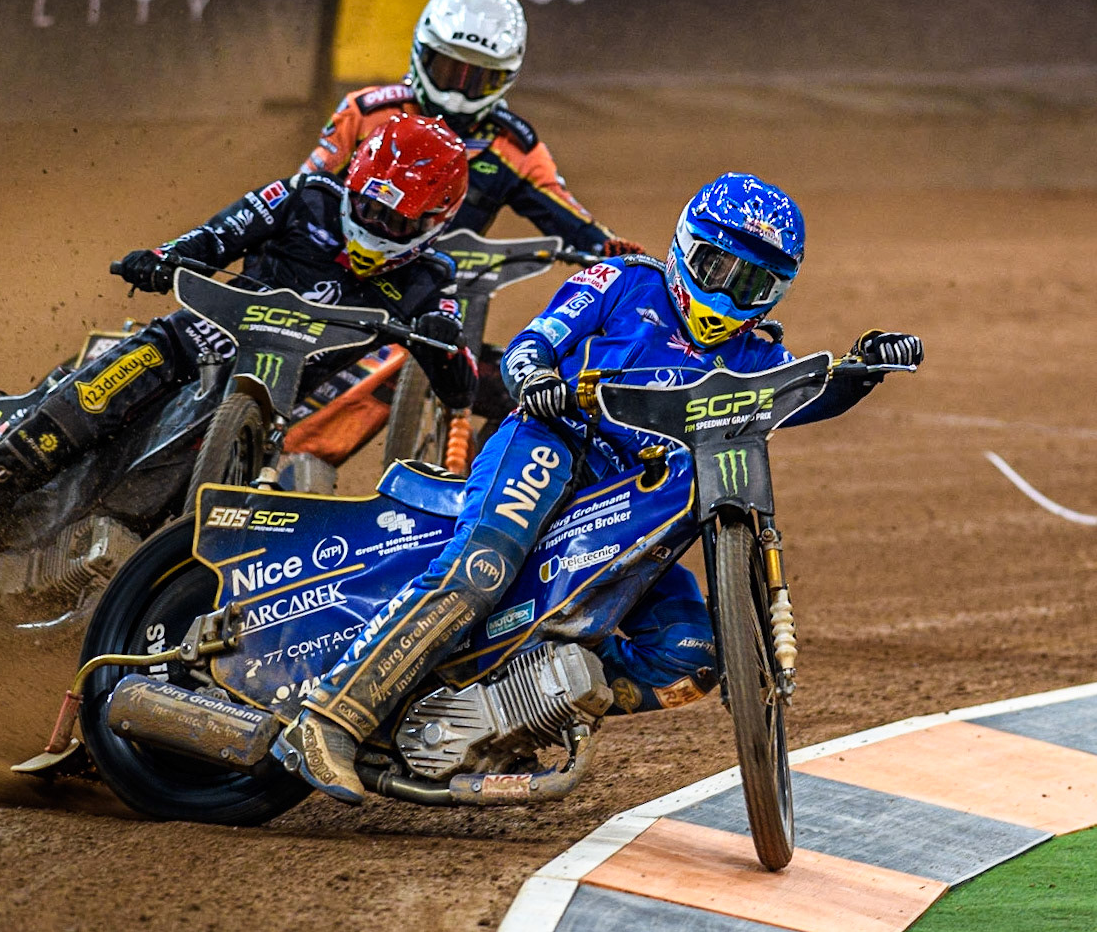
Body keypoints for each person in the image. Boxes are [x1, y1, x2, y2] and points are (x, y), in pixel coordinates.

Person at [270, 172, 926, 803]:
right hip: (555, 446)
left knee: (691, 657)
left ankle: (518, 706)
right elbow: (537, 340)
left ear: (775, 290)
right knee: (479, 570)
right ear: (683, 245)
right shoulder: (622, 280)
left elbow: (805, 393)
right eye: (717, 268)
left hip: (641, 511)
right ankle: (328, 716)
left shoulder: (755, 354)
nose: (726, 295)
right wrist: (534, 380)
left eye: (750, 281)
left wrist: (861, 368)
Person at [0, 113, 480, 620]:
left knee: (203, 532)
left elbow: (459, 386)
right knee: (44, 439)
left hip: (255, 414)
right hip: (176, 350)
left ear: (434, 223)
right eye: (369, 207)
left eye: (395, 220)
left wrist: (444, 339)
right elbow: (212, 237)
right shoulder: (302, 197)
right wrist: (162, 258)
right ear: (354, 180)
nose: (373, 226)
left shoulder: (432, 280)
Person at [304, 0, 642, 427]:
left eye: (478, 78)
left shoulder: (513, 146)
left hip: (430, 306)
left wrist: (609, 250)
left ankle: (489, 488)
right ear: (422, 53)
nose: (457, 93)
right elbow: (300, 196)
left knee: (533, 395)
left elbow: (567, 216)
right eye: (448, 71)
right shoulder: (366, 113)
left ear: (506, 79)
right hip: (338, 290)